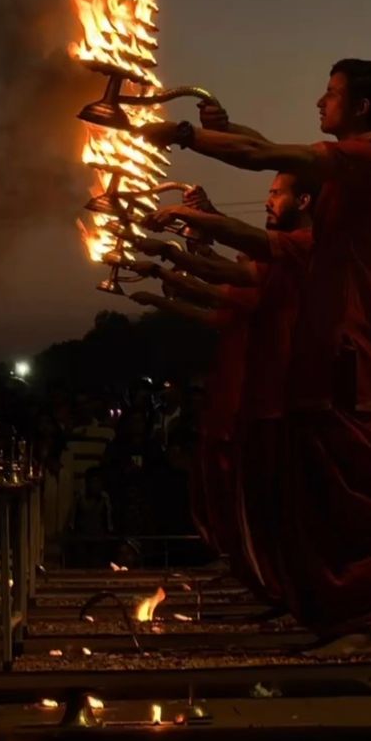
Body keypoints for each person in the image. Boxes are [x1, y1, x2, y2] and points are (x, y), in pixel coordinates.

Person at [142, 58, 371, 653]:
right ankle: (313, 607)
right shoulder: (337, 169)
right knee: (304, 501)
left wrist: (184, 137)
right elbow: (266, 149)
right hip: (315, 360)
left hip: (348, 354)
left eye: (332, 94)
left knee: (346, 502)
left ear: (361, 107)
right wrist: (225, 128)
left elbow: (263, 158)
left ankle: (354, 622)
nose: (320, 101)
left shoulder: (370, 163)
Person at [133, 169, 315, 604]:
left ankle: (279, 590)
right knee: (241, 500)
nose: (267, 201)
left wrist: (165, 257)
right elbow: (220, 278)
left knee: (269, 506)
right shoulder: (274, 257)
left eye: (275, 193)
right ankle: (257, 580)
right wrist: (193, 233)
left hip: (277, 398)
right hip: (250, 397)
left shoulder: (300, 252)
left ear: (305, 200)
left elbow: (222, 284)